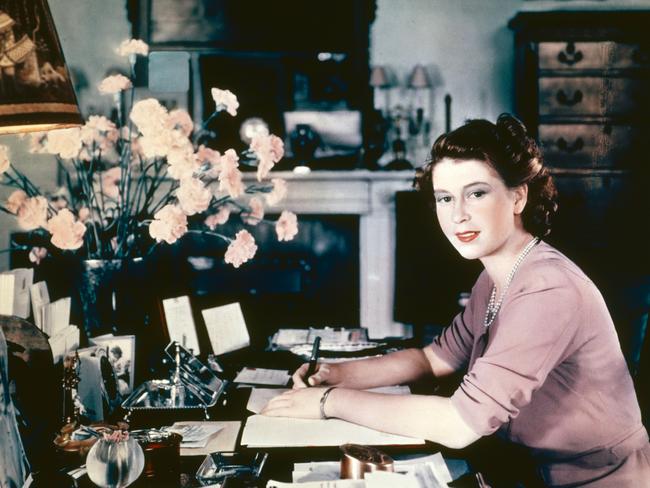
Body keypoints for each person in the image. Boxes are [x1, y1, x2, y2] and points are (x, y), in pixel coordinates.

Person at [261, 114, 650, 487]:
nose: (458, 215)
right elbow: (433, 360)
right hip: (524, 471)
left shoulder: (548, 288)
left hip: (596, 481)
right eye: (445, 199)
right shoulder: (495, 277)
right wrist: (338, 373)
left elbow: (459, 424)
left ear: (518, 197)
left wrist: (329, 401)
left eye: (476, 193)